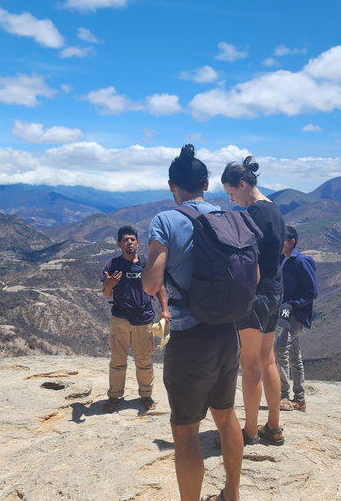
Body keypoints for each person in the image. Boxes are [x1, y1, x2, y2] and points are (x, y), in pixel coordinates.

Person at [142, 144, 243, 501]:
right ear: (206, 183)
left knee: (185, 430)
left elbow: (152, 284)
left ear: (172, 186)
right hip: (229, 335)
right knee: (227, 417)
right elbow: (255, 274)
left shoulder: (166, 221)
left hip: (189, 340)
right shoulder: (231, 217)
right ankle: (231, 495)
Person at [221, 156, 286, 446]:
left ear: (243, 185)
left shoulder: (255, 213)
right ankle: (273, 426)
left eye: (232, 193)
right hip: (275, 292)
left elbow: (248, 259)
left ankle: (248, 431)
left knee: (248, 365)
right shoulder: (274, 209)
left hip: (256, 296)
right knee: (267, 359)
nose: (233, 200)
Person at [101, 225, 169, 413]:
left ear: (138, 243)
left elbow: (159, 287)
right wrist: (109, 285)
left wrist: (165, 310)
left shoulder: (147, 264)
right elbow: (107, 294)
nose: (129, 243)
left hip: (144, 317)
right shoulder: (112, 265)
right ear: (118, 244)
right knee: (117, 359)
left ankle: (146, 396)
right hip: (120, 317)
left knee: (144, 360)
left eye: (132, 239)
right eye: (125, 240)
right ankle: (114, 397)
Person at [274, 225, 317, 412]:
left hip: (296, 314)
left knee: (279, 349)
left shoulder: (300, 261)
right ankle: (299, 399)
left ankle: (284, 395)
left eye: (282, 240)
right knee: (293, 355)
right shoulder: (283, 260)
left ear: (291, 242)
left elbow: (312, 291)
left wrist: (293, 304)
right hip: (285, 312)